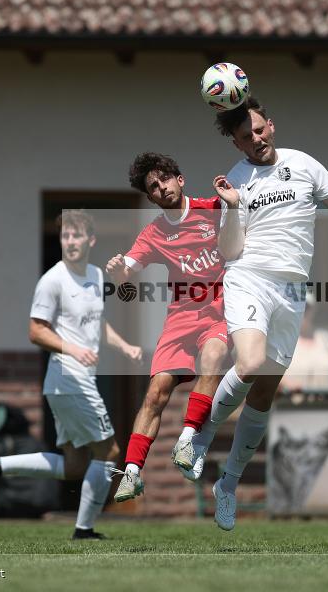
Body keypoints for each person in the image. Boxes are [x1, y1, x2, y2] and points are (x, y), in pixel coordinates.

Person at [180, 96, 328, 530]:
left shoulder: (305, 164)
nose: (256, 138)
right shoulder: (236, 180)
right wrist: (231, 206)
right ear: (237, 144)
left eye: (259, 129)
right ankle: (197, 439)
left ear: (271, 126)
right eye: (246, 136)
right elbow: (229, 251)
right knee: (249, 362)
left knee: (264, 394)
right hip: (249, 276)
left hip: (292, 290)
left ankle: (228, 485)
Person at [0, 209, 142, 540]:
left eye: (77, 235)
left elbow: (96, 323)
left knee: (74, 466)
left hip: (73, 383)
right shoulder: (52, 280)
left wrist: (125, 346)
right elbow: (36, 331)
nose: (70, 241)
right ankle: (84, 529)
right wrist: (72, 349)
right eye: (65, 236)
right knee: (109, 452)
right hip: (68, 381)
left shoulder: (95, 275)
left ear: (91, 240)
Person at [105, 152, 231, 502]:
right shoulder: (154, 233)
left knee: (213, 358)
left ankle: (187, 440)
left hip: (218, 313)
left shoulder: (213, 208)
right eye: (153, 187)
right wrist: (117, 272)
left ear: (180, 179)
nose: (161, 188)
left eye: (164, 179)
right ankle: (132, 473)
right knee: (156, 393)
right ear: (150, 197)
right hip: (180, 319)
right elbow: (127, 270)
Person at [279, 293, 328, 399]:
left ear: (313, 311)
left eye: (306, 308)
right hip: (292, 404)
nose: (303, 311)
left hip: (324, 404)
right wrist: (287, 384)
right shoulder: (283, 338)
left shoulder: (324, 338)